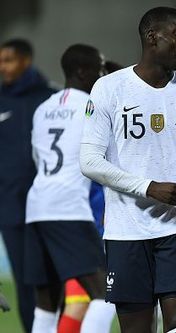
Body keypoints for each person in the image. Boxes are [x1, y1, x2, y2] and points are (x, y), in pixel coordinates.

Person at [79, 7, 176, 333]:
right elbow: (89, 161)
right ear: (151, 37)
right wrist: (147, 187)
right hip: (125, 233)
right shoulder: (109, 89)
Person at [24, 44, 115, 333]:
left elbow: (38, 159)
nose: (103, 76)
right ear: (82, 71)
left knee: (47, 301)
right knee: (108, 294)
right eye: (100, 69)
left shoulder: (43, 109)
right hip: (70, 209)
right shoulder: (92, 107)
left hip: (36, 208)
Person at [0, 38, 56, 332]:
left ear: (25, 60)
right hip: (10, 209)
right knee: (24, 281)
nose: (3, 67)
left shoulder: (50, 99)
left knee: (50, 278)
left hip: (49, 207)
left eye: (8, 60)